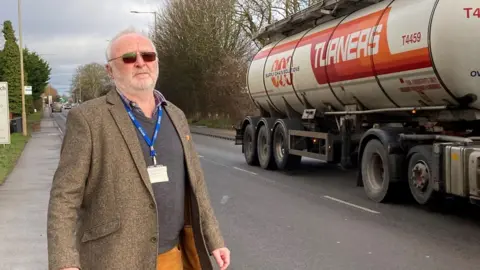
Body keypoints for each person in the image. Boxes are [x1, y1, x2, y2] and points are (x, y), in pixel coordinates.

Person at [47, 28, 231, 270]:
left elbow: (196, 185)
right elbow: (64, 196)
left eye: (148, 56)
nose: (141, 63)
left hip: (172, 256)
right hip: (114, 259)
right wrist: (65, 262)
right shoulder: (88, 118)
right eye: (129, 58)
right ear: (110, 70)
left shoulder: (175, 115)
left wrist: (214, 240)